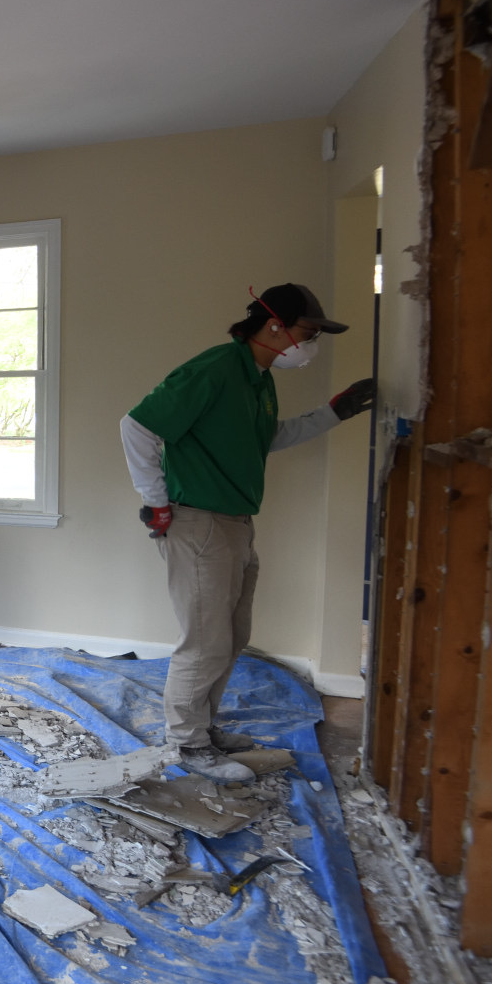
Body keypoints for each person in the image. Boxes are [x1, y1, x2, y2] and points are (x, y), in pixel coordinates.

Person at [122, 283, 375, 781]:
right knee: (204, 641)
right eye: (309, 332)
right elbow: (137, 426)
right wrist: (156, 503)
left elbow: (267, 437)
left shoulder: (258, 379)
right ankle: (186, 743)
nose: (313, 343)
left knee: (232, 635)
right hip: (199, 523)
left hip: (235, 523)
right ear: (275, 325)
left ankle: (203, 729)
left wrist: (332, 413)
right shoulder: (217, 368)